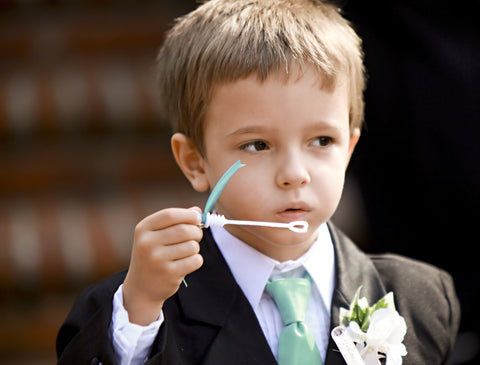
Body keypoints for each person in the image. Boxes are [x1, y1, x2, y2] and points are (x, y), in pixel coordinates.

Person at [56, 1, 460, 364]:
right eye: (257, 145)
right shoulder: (137, 312)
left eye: (322, 140)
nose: (294, 173)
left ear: (350, 148)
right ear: (195, 162)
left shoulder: (420, 298)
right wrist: (139, 312)